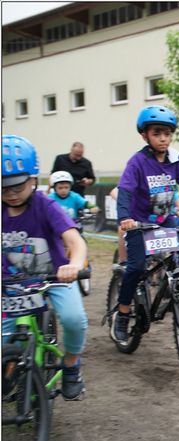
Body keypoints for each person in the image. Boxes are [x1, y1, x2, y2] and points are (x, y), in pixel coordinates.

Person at [111, 106, 179, 343]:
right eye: (157, 133)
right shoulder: (137, 162)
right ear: (145, 136)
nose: (163, 139)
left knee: (178, 255)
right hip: (138, 222)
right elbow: (125, 190)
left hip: (164, 218)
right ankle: (123, 314)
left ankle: (174, 291)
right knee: (136, 267)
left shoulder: (176, 159)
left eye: (167, 134)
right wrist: (124, 218)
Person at [2, 135, 88, 399]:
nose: (11, 194)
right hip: (11, 286)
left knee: (74, 319)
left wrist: (74, 265)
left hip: (54, 277)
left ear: (33, 180)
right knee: (5, 341)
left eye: (18, 186)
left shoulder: (46, 205)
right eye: (3, 188)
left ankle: (71, 365)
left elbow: (75, 241)